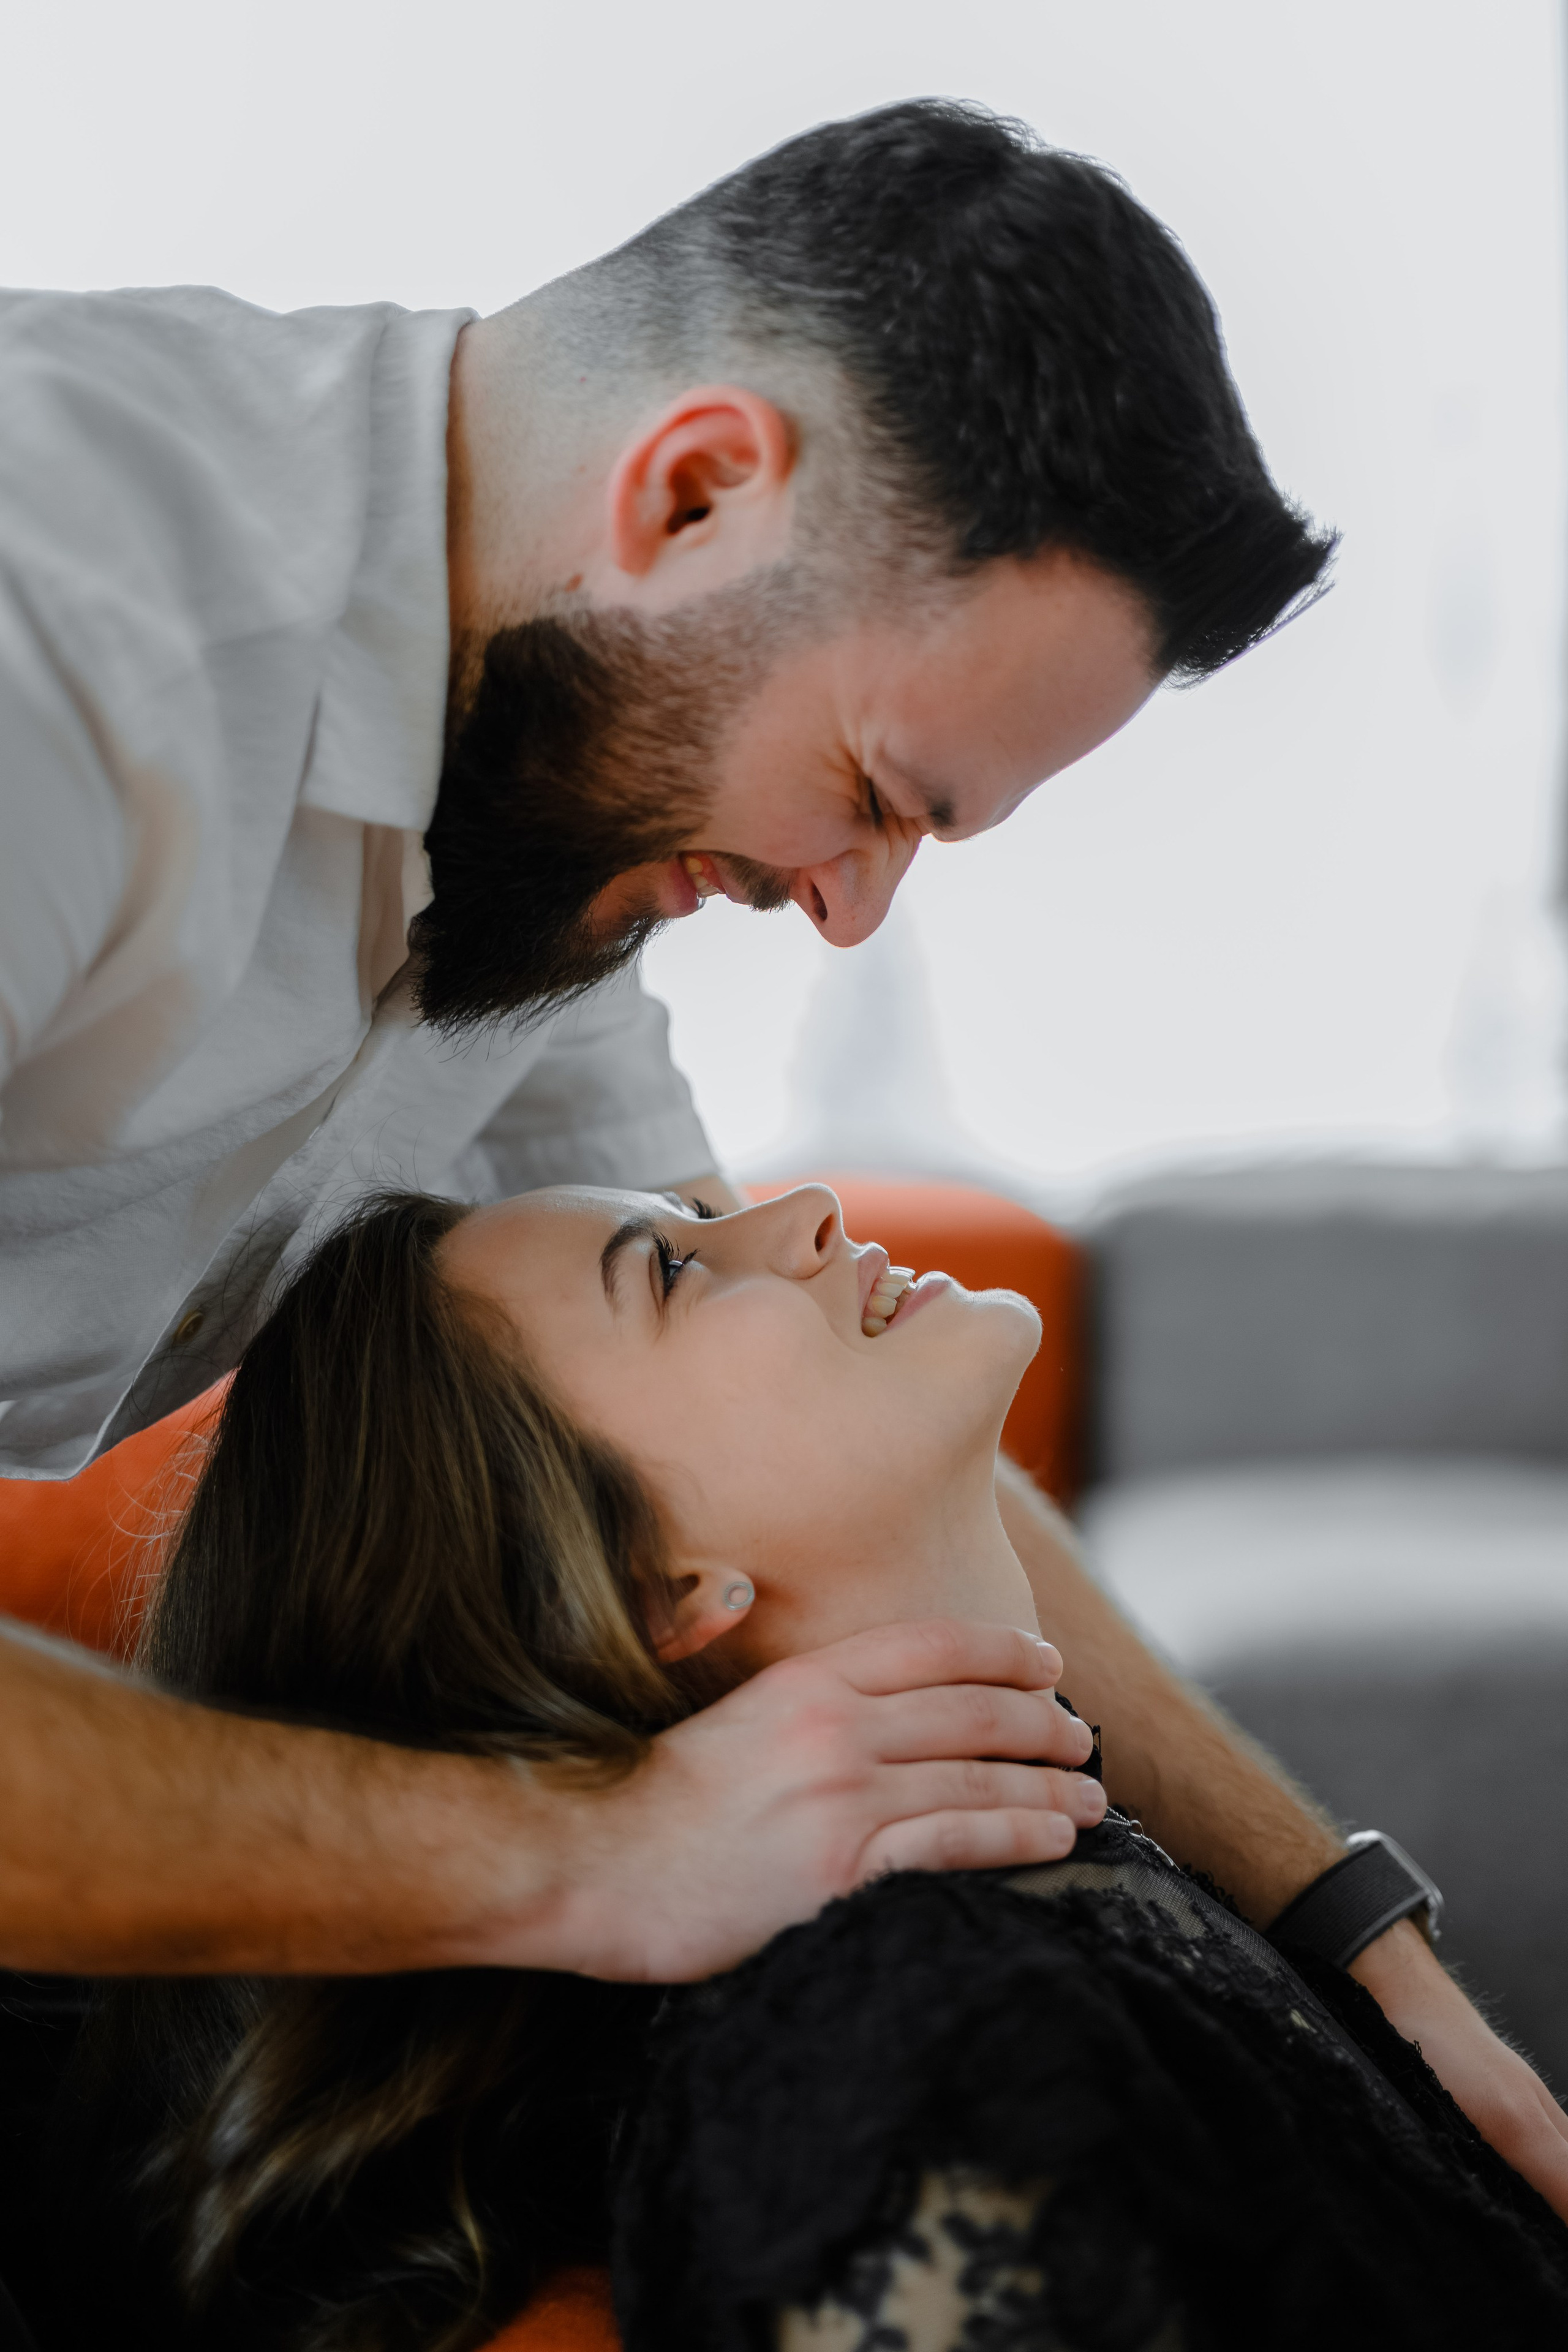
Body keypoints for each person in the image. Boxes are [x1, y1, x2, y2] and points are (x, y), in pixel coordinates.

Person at [1, 88, 1539, 2209]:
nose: (849, 912)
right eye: (881, 792)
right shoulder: (55, 641)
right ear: (697, 487)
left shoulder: (508, 815)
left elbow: (863, 1434)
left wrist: (1354, 1941)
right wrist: (604, 1857)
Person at [50, 1182, 1568, 2352]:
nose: (803, 1206)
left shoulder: (1037, 1884)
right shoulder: (892, 2041)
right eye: (669, 1269)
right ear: (657, 1586)